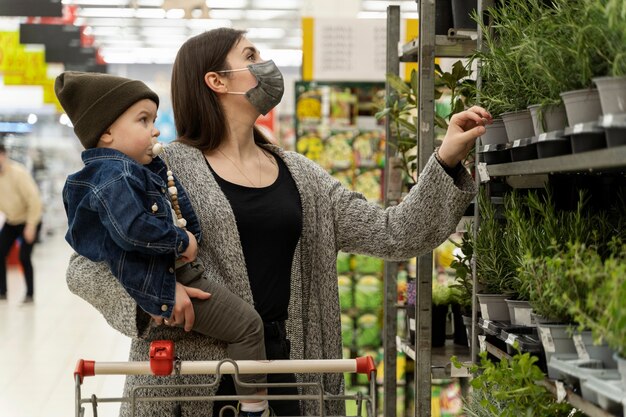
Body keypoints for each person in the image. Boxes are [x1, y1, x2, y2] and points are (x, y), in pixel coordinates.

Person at [65, 27, 490, 417]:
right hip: (187, 381)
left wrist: (446, 158)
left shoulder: (301, 175)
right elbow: (83, 266)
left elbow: (394, 233)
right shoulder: (162, 169)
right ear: (217, 80)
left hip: (289, 373)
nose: (265, 66)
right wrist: (153, 299)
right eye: (250, 55)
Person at [55, 71, 273, 417]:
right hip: (172, 303)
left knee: (246, 327)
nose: (155, 130)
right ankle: (255, 408)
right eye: (144, 120)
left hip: (176, 284)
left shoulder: (138, 168)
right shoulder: (120, 175)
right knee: (247, 326)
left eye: (154, 120)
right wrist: (171, 261)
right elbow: (113, 244)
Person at [0, 143, 43, 303]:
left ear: (3, 155)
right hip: (12, 220)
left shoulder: (18, 173)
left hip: (30, 219)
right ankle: (2, 292)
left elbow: (34, 200)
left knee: (24, 256)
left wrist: (31, 225)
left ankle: (30, 294)